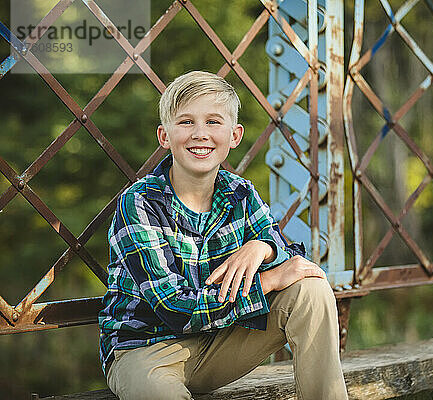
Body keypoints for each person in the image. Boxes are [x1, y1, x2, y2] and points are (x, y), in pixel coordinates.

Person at [98, 70, 348, 400]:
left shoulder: (240, 193)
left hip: (219, 341)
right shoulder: (140, 202)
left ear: (234, 135)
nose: (200, 134)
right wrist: (269, 280)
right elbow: (173, 308)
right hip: (147, 351)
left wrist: (264, 248)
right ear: (164, 136)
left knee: (310, 291)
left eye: (214, 122)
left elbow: (289, 254)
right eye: (186, 122)